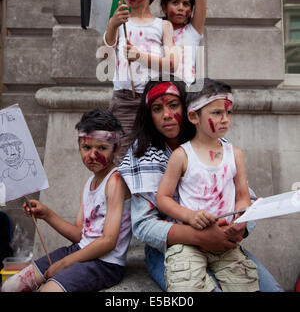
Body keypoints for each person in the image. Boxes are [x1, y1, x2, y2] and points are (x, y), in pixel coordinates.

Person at [118, 79, 284, 292]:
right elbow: (143, 225)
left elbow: (246, 199)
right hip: (171, 250)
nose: (167, 114)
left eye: (174, 105)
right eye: (157, 109)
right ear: (149, 116)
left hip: (222, 243)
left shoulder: (216, 144)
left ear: (189, 111)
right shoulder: (142, 157)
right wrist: (200, 236)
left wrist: (239, 228)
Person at [1, 107, 131, 293]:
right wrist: (47, 214)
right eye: (86, 147)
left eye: (102, 148)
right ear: (79, 146)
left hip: (105, 264)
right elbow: (80, 235)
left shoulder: (115, 181)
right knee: (11, 286)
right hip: (79, 251)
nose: (92, 155)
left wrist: (64, 263)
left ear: (116, 148)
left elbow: (108, 241)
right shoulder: (88, 184)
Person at [156, 79, 259, 292]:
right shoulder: (182, 155)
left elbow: (242, 195)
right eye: (217, 113)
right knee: (185, 288)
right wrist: (190, 216)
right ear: (193, 116)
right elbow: (163, 198)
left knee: (246, 285)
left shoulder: (235, 154)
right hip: (189, 244)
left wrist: (241, 221)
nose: (225, 120)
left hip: (226, 242)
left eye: (228, 113)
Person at [102, 0, 178, 162]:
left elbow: (171, 64)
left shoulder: (162, 25)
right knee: (120, 158)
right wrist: (112, 26)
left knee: (157, 156)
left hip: (153, 99)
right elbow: (104, 56)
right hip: (124, 100)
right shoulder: (119, 23)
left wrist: (139, 56)